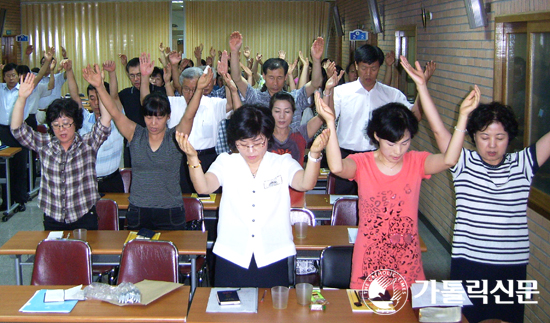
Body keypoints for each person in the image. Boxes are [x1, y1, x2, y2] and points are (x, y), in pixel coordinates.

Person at [401, 57, 550, 323]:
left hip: (512, 265)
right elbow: (438, 131)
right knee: (466, 319)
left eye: (500, 137)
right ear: (473, 138)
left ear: (510, 137)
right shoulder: (462, 161)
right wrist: (422, 87)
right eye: (484, 137)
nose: (492, 145)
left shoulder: (524, 163)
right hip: (469, 261)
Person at [317, 59, 478, 288]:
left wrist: (461, 116)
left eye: (404, 143)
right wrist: (331, 124)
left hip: (407, 259)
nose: (398, 151)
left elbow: (450, 158)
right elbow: (337, 167)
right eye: (391, 144)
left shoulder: (416, 162)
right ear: (376, 137)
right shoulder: (363, 163)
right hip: (369, 258)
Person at [176, 104, 327, 288]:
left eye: (258, 143)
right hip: (232, 254)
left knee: (272, 314)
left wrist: (314, 155)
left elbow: (305, 183)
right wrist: (193, 158)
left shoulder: (282, 162)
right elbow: (203, 187)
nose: (251, 151)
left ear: (268, 137)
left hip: (274, 253)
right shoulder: (226, 162)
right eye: (243, 145)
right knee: (230, 313)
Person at [96, 58, 190, 231]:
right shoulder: (135, 134)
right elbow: (115, 113)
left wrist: (198, 90)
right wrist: (100, 86)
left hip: (170, 210)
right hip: (139, 210)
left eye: (159, 117)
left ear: (168, 116)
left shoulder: (174, 137)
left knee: (171, 256)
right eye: (149, 117)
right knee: (137, 256)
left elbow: (189, 116)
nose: (153, 123)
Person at [11, 72, 112, 230]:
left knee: (84, 253)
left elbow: (105, 121)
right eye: (56, 125)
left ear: (76, 123)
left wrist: (99, 87)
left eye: (66, 124)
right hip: (53, 216)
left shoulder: (88, 144)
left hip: (84, 215)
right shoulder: (45, 144)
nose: (61, 129)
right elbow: (17, 129)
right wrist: (22, 98)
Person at [332, 44, 434, 195]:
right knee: (342, 205)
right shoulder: (341, 92)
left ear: (379, 67)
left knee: (377, 203)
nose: (368, 73)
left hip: (378, 158)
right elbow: (328, 117)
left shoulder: (391, 95)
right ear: (356, 65)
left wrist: (422, 87)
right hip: (346, 157)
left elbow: (415, 116)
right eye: (364, 68)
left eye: (373, 69)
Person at [229, 31, 324, 131]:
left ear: (285, 77)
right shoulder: (256, 98)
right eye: (271, 78)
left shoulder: (295, 98)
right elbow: (237, 78)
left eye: (279, 78)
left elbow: (315, 83)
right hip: (263, 146)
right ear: (264, 76)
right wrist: (234, 52)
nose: (275, 83)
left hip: (291, 145)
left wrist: (316, 60)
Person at [0, 48, 53, 212]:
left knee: (19, 165)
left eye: (13, 75)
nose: (10, 78)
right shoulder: (0, 89)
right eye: (7, 75)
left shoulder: (24, 89)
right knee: (3, 167)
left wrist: (48, 61)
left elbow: (38, 78)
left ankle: (20, 199)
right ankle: (6, 200)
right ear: (4, 77)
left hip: (19, 130)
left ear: (18, 76)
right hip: (2, 131)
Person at [65, 59, 125, 193]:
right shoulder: (84, 119)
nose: (96, 102)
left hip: (112, 181)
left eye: (99, 97)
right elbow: (75, 96)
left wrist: (111, 74)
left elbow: (114, 96)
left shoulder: (117, 120)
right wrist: (69, 71)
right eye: (92, 98)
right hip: (86, 182)